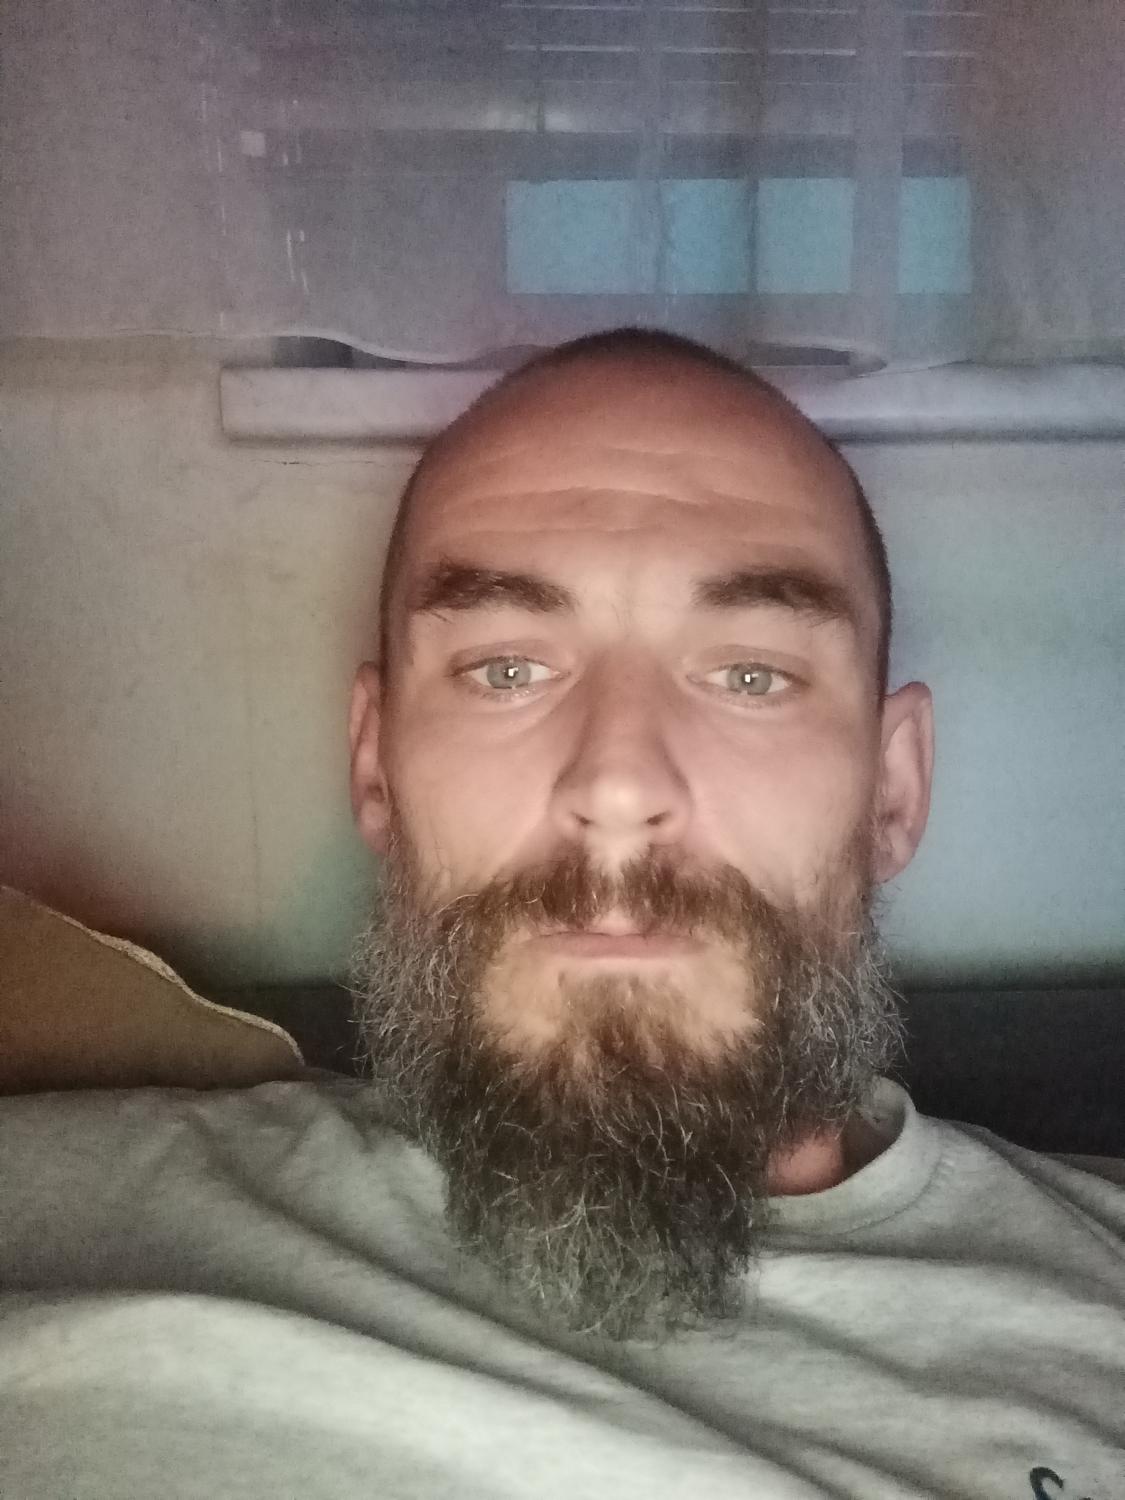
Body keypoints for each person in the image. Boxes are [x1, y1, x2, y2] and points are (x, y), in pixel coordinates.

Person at [1, 329, 1122, 1499]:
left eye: (752, 677)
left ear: (892, 792)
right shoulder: (63, 1221)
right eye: (507, 671)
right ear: (377, 768)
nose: (618, 784)